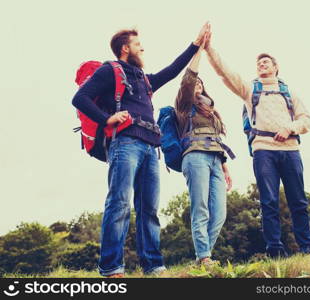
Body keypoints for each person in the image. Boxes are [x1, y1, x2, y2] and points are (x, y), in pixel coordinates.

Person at [72, 23, 210, 277]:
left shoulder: (144, 80)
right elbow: (79, 98)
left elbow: (172, 70)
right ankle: (112, 268)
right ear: (125, 49)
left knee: (149, 208)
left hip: (150, 147)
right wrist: (106, 119)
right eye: (137, 44)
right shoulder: (109, 71)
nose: (142, 47)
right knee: (120, 203)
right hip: (125, 143)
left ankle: (153, 266)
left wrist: (195, 44)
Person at [203, 31, 310, 258]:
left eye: (266, 62)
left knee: (299, 201)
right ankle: (275, 250)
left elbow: (307, 120)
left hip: (291, 150)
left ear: (276, 67)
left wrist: (290, 128)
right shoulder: (250, 90)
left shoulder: (289, 93)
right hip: (263, 150)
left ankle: (309, 249)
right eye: (258, 63)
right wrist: (208, 49)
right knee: (269, 201)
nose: (261, 65)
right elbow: (225, 73)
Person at [175, 34, 233, 266]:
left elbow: (217, 139)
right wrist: (199, 50)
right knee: (201, 208)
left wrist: (226, 166)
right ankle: (205, 257)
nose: (197, 84)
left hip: (216, 159)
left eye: (201, 83)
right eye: (195, 83)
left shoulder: (211, 110)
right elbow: (189, 80)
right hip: (195, 156)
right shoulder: (183, 105)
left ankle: (201, 258)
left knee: (219, 213)